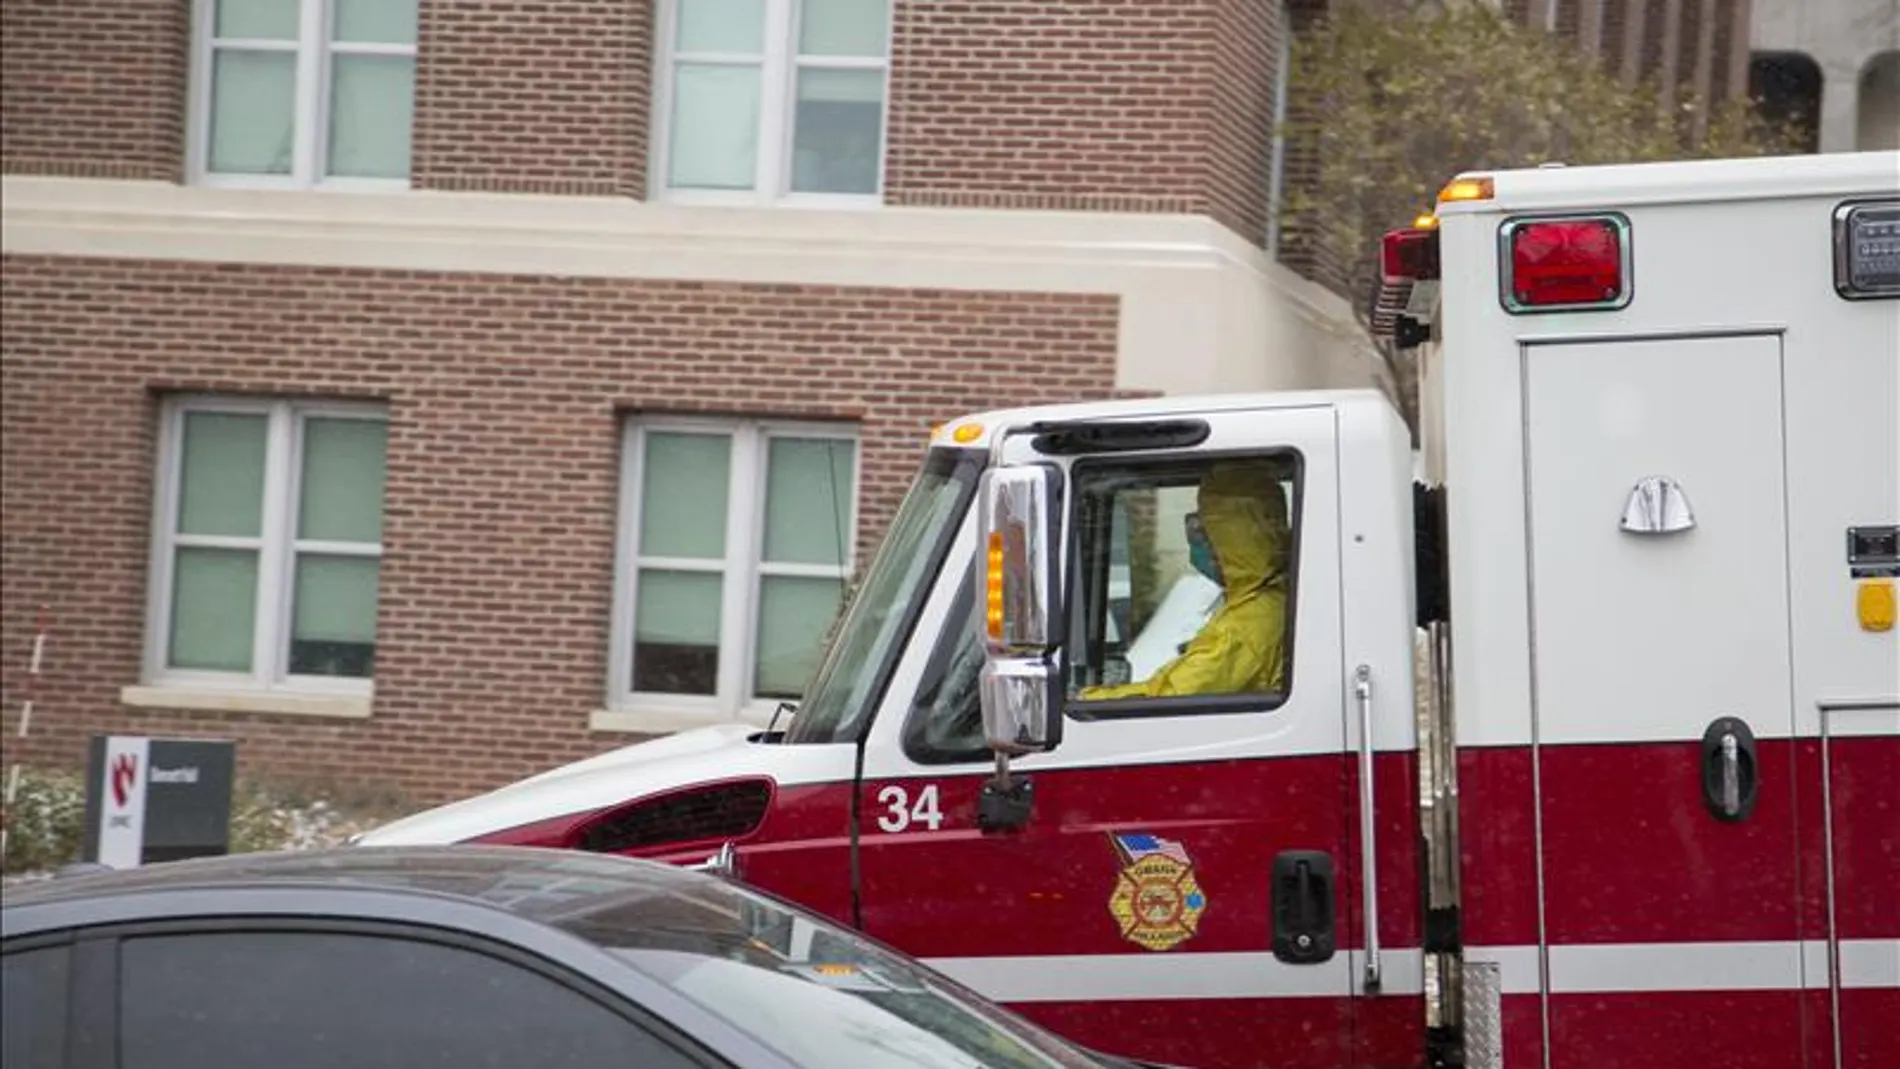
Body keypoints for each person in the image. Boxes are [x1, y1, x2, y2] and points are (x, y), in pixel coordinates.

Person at [1080, 460, 1291, 700]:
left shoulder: (1247, 624)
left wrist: (1088, 699)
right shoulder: (1268, 600)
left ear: (1234, 540)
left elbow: (1171, 698)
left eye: (1203, 529)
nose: (1196, 540)